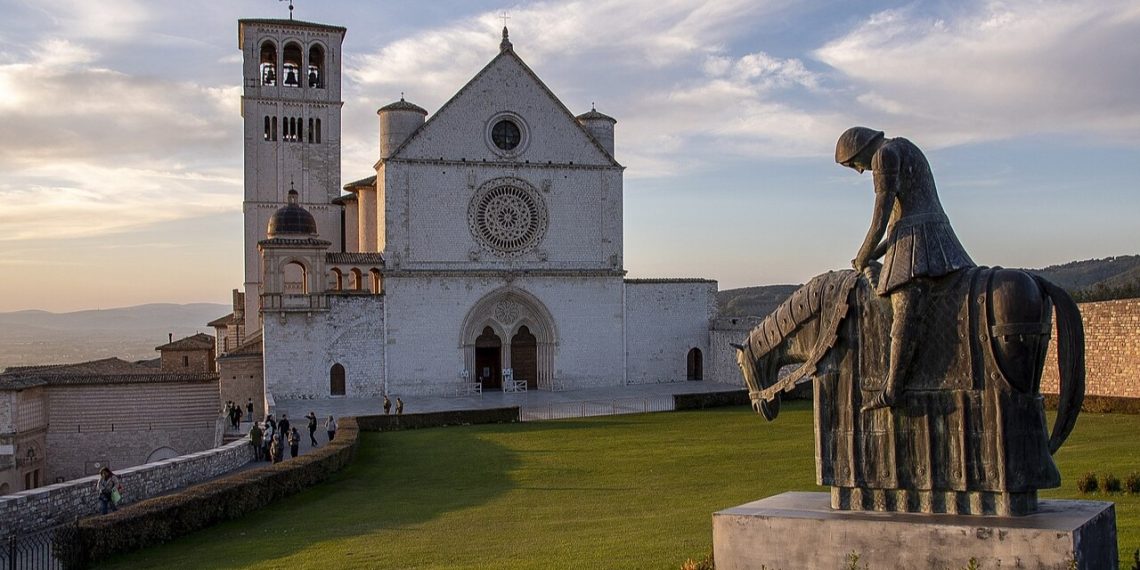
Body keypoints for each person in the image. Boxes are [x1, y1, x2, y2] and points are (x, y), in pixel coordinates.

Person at [836, 127, 975, 411]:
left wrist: (862, 256)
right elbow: (898, 225)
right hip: (926, 233)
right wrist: (872, 255)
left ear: (860, 149)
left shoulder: (883, 156)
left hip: (921, 241)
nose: (859, 171)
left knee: (904, 306)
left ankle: (893, 389)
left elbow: (880, 220)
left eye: (853, 164)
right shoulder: (903, 146)